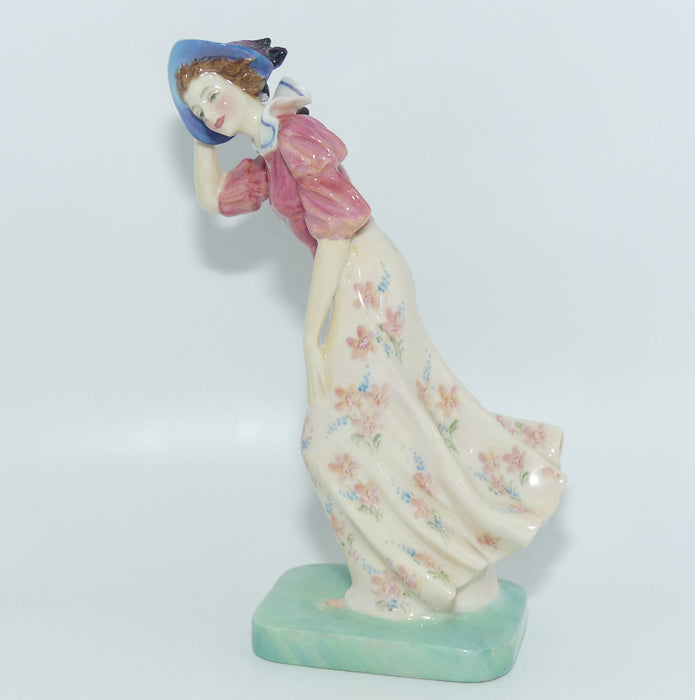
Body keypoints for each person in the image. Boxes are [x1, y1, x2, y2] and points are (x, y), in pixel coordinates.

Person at [169, 39, 567, 620]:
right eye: (197, 110)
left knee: (332, 440)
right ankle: (429, 570)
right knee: (399, 419)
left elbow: (336, 235)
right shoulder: (269, 157)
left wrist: (313, 338)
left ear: (244, 80)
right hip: (353, 276)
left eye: (212, 95)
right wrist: (199, 136)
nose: (209, 113)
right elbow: (211, 197)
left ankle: (413, 577)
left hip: (364, 276)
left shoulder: (296, 139)